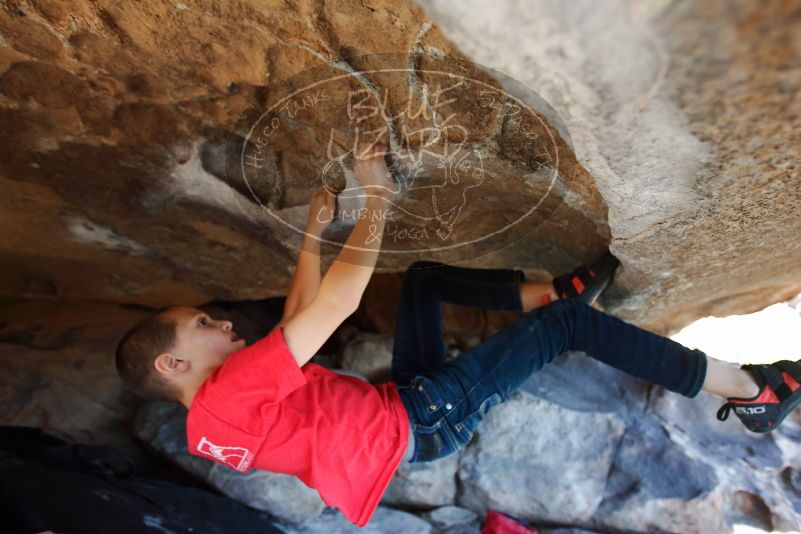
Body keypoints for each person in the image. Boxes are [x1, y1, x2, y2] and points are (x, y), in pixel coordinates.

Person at [114, 140, 801, 528]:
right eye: (203, 324)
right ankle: (748, 390)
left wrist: (313, 237)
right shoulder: (228, 392)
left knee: (421, 283)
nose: (223, 322)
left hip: (405, 414)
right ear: (173, 362)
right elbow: (336, 305)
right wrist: (377, 198)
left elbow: (298, 328)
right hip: (422, 416)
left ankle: (558, 290)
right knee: (563, 330)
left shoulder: (210, 421)